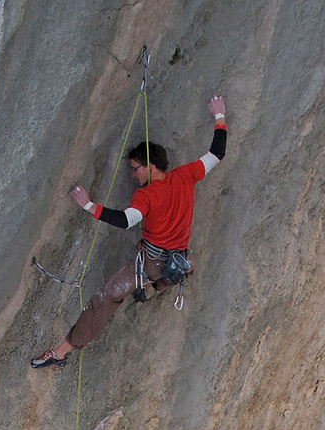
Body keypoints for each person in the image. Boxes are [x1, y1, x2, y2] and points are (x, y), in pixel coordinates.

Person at [31, 95, 227, 368]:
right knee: (155, 272)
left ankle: (61, 352)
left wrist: (88, 205)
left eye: (135, 168)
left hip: (152, 262)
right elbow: (217, 153)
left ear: (150, 166)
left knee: (106, 296)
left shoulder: (145, 196)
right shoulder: (185, 175)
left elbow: (125, 220)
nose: (132, 174)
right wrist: (219, 115)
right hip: (178, 258)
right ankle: (163, 283)